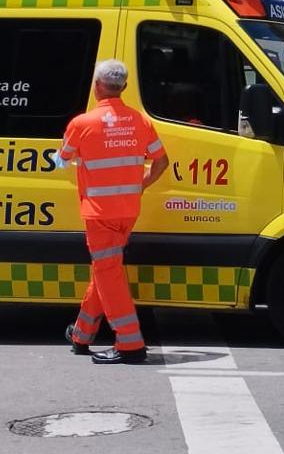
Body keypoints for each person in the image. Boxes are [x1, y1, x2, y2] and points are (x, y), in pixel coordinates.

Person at [59, 59, 169, 364]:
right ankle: (81, 334)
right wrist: (141, 185)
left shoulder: (82, 124)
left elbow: (62, 159)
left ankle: (131, 344)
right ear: (124, 87)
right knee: (105, 270)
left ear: (96, 86)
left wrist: (55, 157)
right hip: (128, 210)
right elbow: (161, 162)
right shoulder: (140, 121)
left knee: (109, 274)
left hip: (98, 213)